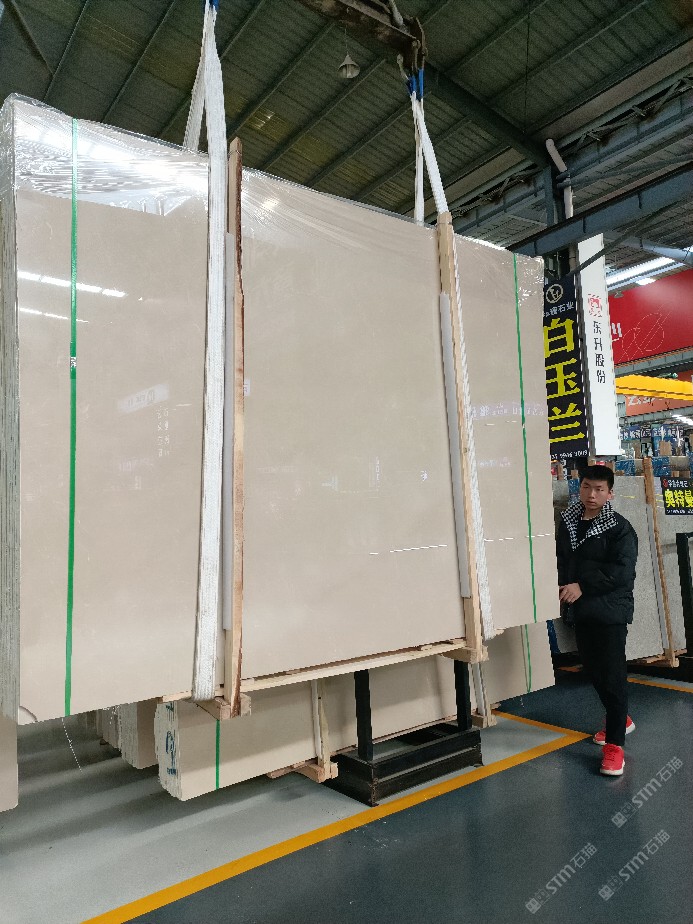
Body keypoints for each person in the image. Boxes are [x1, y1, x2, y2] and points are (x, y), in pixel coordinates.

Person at [556, 465, 638, 777]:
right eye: (587, 487)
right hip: (581, 610)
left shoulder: (620, 528)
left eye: (599, 489)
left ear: (610, 493)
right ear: (580, 488)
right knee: (593, 670)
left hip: (609, 611)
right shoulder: (569, 522)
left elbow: (622, 572)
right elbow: (563, 560)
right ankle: (621, 718)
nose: (592, 494)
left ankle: (615, 747)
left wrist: (583, 586)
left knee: (613, 676)